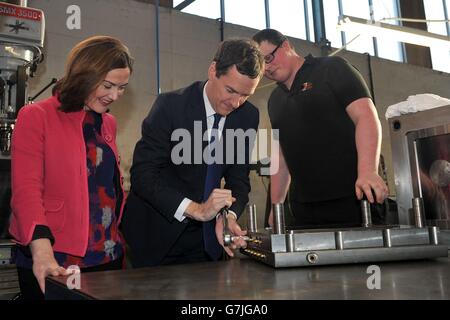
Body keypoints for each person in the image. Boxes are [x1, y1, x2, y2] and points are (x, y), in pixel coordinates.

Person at [9, 35, 133, 299]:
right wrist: (42, 250)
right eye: (108, 85)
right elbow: (26, 190)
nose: (115, 96)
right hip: (54, 257)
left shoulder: (107, 123)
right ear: (84, 76)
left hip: (107, 254)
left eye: (122, 87)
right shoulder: (37, 116)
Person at [121, 39, 264, 267]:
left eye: (245, 95)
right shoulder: (170, 106)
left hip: (207, 242)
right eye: (230, 90)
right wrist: (197, 210)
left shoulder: (247, 116)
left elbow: (239, 181)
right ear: (213, 70)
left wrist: (228, 217)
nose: (236, 103)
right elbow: (143, 175)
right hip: (158, 236)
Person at [252, 29, 388, 228]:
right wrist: (276, 207)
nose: (268, 68)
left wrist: (368, 171)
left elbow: (366, 116)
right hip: (304, 211)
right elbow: (280, 158)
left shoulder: (332, 69)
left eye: (269, 58)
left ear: (287, 45)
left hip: (354, 201)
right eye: (262, 65)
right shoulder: (275, 100)